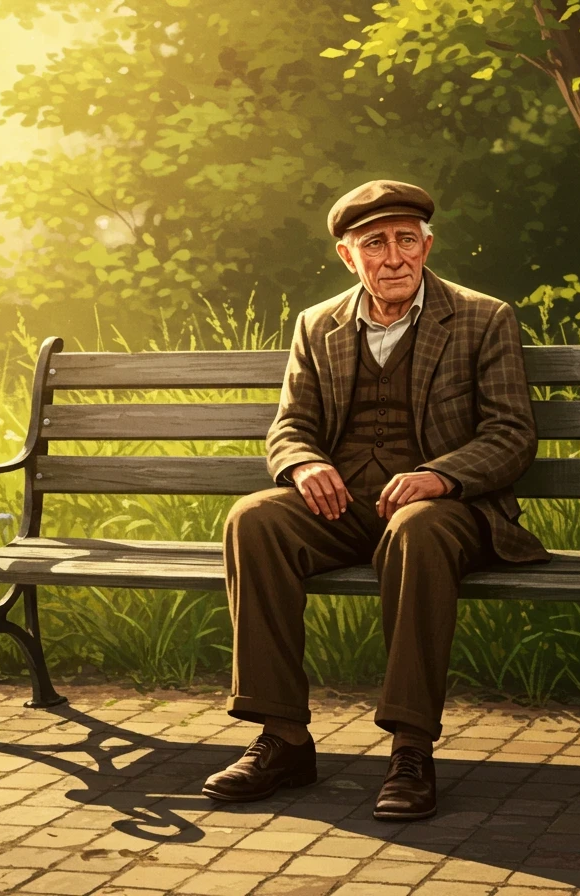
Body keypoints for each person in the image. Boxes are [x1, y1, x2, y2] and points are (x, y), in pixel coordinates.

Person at [202, 179, 551, 821]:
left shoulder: (483, 316)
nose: (394, 258)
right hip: (346, 509)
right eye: (376, 244)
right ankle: (283, 738)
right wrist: (304, 464)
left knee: (418, 528)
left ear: (427, 243)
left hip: (449, 513)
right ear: (347, 255)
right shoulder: (318, 323)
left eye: (406, 241)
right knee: (254, 519)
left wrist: (441, 476)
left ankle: (411, 749)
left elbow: (511, 433)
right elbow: (290, 426)